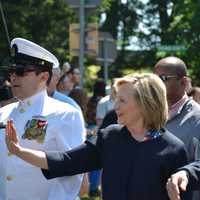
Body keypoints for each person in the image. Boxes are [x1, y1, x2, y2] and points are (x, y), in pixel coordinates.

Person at [5, 73, 191, 200]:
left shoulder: (174, 150)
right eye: (116, 99)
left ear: (146, 104)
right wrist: (19, 151)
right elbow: (66, 161)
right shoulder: (109, 137)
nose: (115, 106)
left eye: (122, 100)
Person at [0, 38, 85, 200]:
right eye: (11, 71)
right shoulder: (3, 113)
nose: (13, 77)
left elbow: (73, 171)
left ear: (44, 77)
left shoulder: (65, 114)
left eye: (21, 71)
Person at [154, 56, 200, 199]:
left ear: (184, 82)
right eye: (154, 79)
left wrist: (185, 173)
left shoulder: (197, 118)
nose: (156, 84)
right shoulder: (148, 115)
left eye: (163, 78)